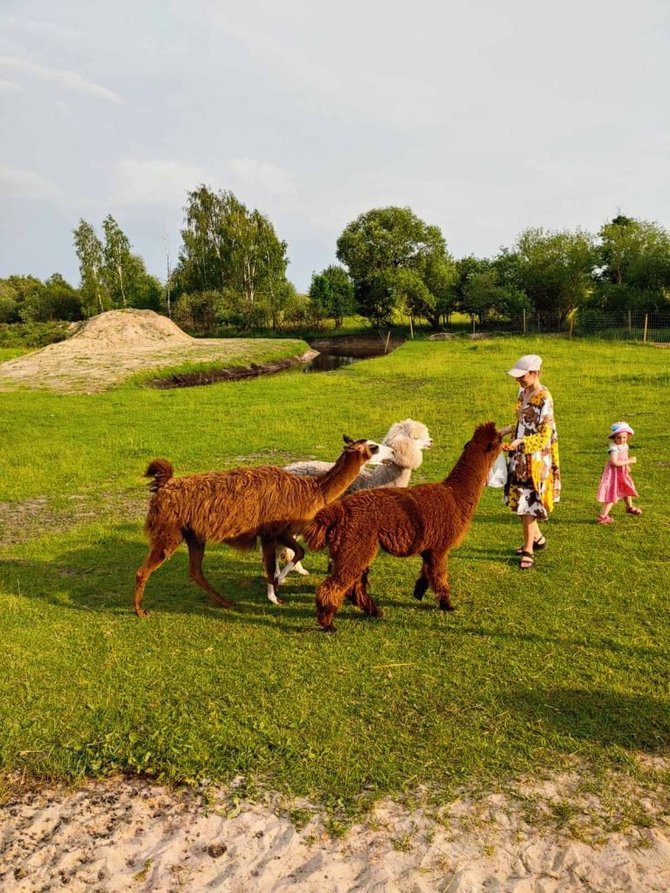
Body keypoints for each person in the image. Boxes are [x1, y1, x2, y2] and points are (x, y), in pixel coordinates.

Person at [500, 354, 561, 569]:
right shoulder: (522, 392)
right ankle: (538, 539)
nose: (518, 380)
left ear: (535, 373)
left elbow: (545, 435)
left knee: (528, 505)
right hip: (519, 455)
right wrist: (505, 431)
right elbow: (522, 421)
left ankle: (528, 550)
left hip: (535, 458)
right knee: (520, 500)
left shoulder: (545, 398)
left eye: (522, 376)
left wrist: (521, 442)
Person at [596, 422, 641, 524]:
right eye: (618, 438)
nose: (621, 440)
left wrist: (626, 466)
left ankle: (629, 507)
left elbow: (623, 456)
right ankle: (602, 517)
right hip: (614, 474)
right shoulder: (614, 448)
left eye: (624, 437)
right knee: (612, 493)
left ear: (628, 436)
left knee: (626, 488)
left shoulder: (625, 445)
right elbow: (614, 462)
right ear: (613, 438)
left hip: (622, 472)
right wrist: (629, 461)